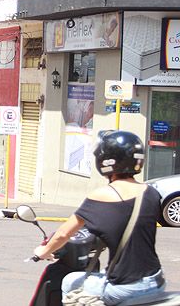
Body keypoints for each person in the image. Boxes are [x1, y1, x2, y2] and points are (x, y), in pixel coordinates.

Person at [33, 131, 166, 305]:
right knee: (103, 273)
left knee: (69, 282)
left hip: (126, 288)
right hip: (156, 281)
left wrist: (43, 251)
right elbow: (130, 225)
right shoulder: (152, 193)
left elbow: (63, 234)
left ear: (106, 161)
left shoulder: (101, 196)